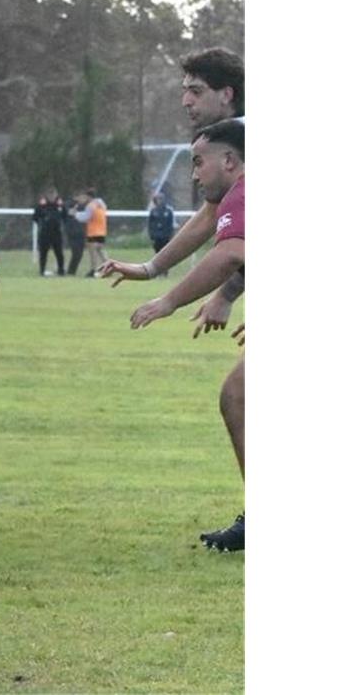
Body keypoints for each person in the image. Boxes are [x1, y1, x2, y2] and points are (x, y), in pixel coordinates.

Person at [99, 47, 245, 551]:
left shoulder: (245, 149)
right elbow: (216, 222)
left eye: (195, 90)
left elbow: (232, 248)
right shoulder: (235, 150)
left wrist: (181, 297)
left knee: (240, 396)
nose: (184, 99)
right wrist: (152, 267)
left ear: (226, 94)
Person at [32, 187, 67, 276]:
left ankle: (61, 270)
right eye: (50, 194)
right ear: (47, 195)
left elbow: (65, 216)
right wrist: (42, 223)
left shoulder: (60, 205)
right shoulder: (41, 205)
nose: (52, 197)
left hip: (56, 232)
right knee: (43, 253)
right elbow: (35, 217)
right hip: (45, 233)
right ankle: (42, 270)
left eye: (53, 194)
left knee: (59, 253)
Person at [78, 188, 108, 276]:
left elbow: (86, 217)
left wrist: (76, 214)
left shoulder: (90, 206)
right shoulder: (102, 204)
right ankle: (109, 268)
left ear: (88, 196)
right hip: (102, 231)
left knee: (93, 253)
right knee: (101, 251)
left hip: (93, 232)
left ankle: (93, 270)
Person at [64, 190, 88, 275]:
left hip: (81, 233)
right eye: (83, 197)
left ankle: (72, 271)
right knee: (76, 252)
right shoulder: (69, 203)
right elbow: (68, 212)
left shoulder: (85, 206)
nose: (85, 199)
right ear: (77, 197)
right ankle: (70, 271)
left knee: (79, 254)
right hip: (72, 233)